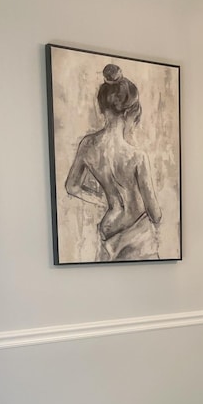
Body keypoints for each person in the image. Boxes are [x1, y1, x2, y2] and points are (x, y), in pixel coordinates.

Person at [65, 63, 162, 261]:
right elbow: (155, 214)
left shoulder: (87, 145)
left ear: (102, 108)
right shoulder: (137, 157)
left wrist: (103, 200)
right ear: (129, 113)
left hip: (108, 230)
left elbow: (72, 186)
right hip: (136, 236)